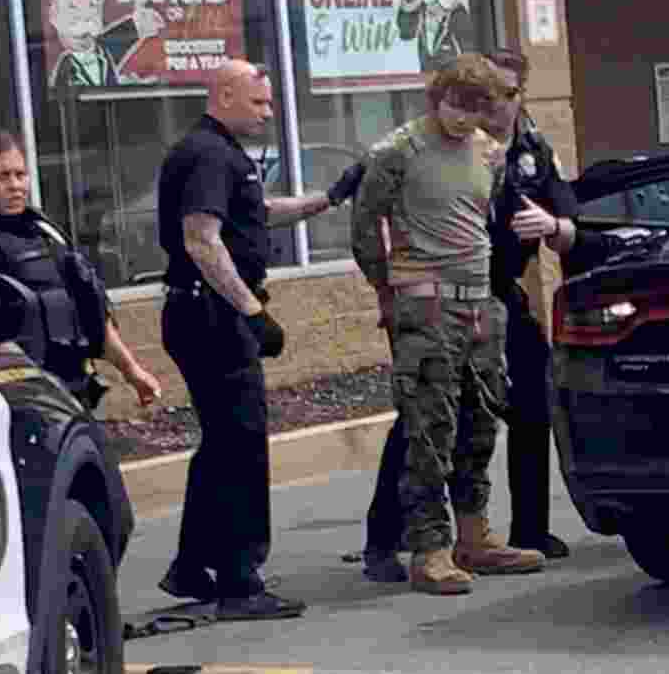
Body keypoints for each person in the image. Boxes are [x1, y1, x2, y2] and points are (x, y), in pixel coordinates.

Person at [352, 49, 578, 584]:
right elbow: (365, 228)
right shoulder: (398, 152)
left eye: (477, 108)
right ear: (437, 98)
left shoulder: (489, 153)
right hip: (426, 303)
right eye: (456, 104)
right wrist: (388, 291)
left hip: (480, 303)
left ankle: (473, 537)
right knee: (429, 428)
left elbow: (486, 224)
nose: (464, 117)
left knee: (480, 426)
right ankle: (428, 547)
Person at [155, 58, 361, 620]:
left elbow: (256, 214)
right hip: (211, 316)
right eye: (259, 103)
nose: (269, 113)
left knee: (222, 443)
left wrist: (328, 199)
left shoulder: (219, 153)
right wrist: (250, 311)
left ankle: (193, 567)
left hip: (206, 313)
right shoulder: (206, 154)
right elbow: (201, 240)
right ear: (224, 94)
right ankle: (241, 583)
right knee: (242, 447)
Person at [0, 129, 162, 411]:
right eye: (1, 176)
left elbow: (90, 308)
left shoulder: (44, 234)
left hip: (73, 394)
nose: (15, 185)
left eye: (20, 174)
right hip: (14, 404)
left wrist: (131, 371)